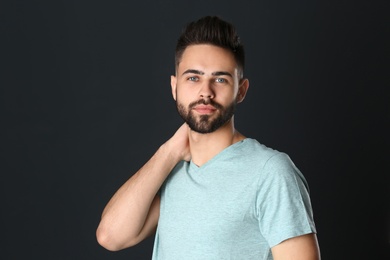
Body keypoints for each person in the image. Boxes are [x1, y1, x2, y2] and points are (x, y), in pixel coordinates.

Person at [96, 16, 320, 260]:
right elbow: (111, 236)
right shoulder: (172, 168)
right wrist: (169, 152)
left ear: (241, 91)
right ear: (174, 87)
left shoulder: (271, 172)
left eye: (220, 79)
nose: (205, 92)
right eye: (193, 77)